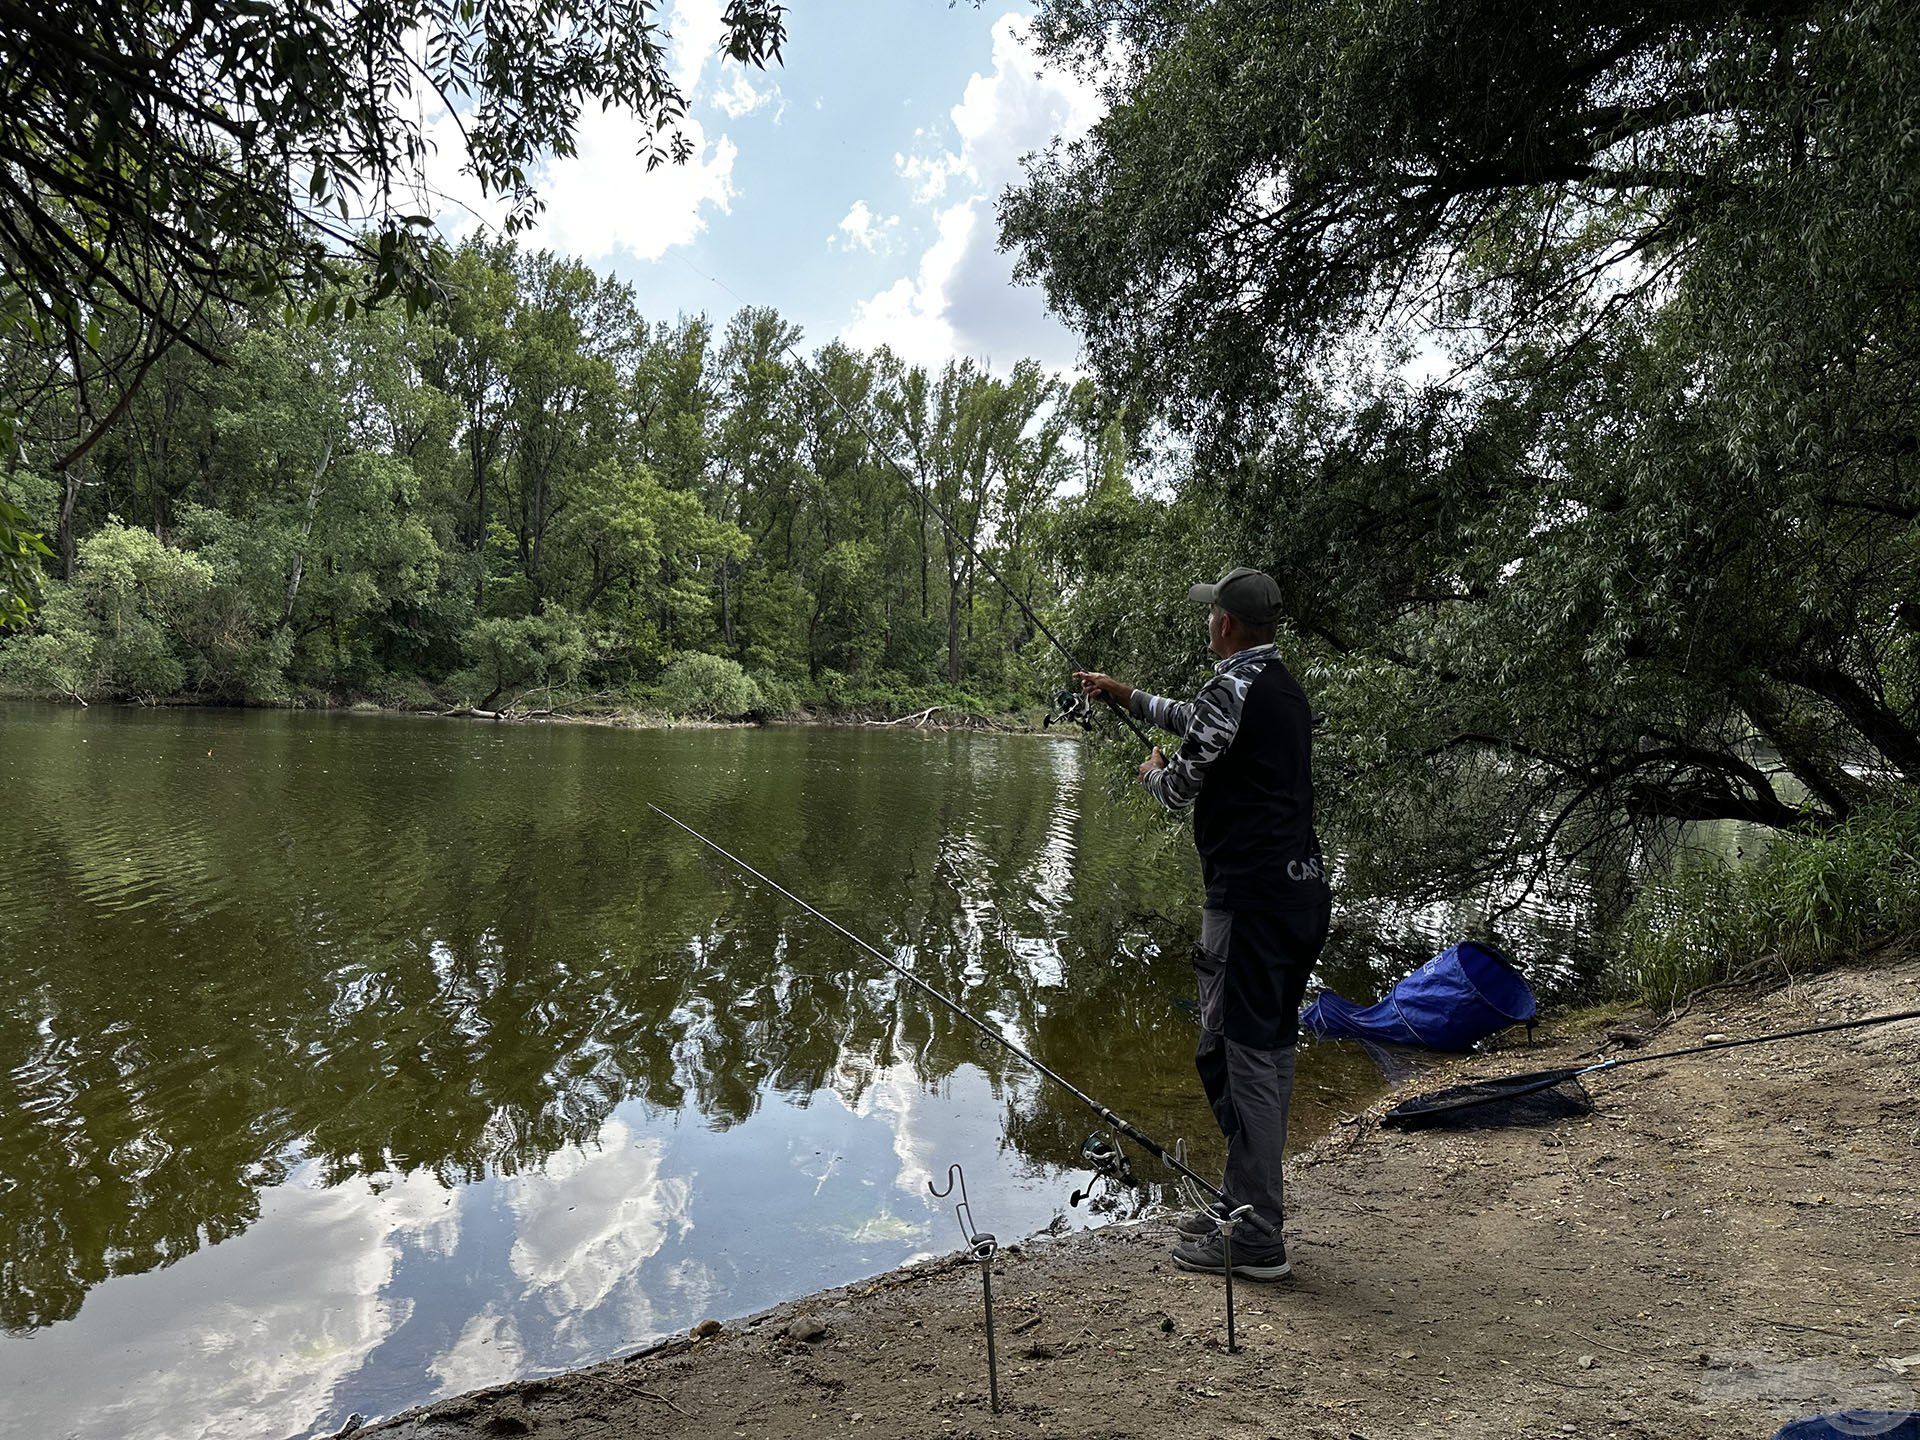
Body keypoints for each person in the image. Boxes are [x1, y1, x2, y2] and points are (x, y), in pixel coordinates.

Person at [1075, 565, 1330, 1282]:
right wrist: (1127, 696)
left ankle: (1256, 1233)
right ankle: (1247, 1207)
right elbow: (1205, 720)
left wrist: (1153, 773)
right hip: (1299, 897)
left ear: (1225, 624)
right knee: (1269, 1053)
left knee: (1236, 1056)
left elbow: (1180, 785)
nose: (1207, 624)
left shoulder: (1233, 686)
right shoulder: (1278, 686)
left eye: (1210, 615)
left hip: (1250, 905)